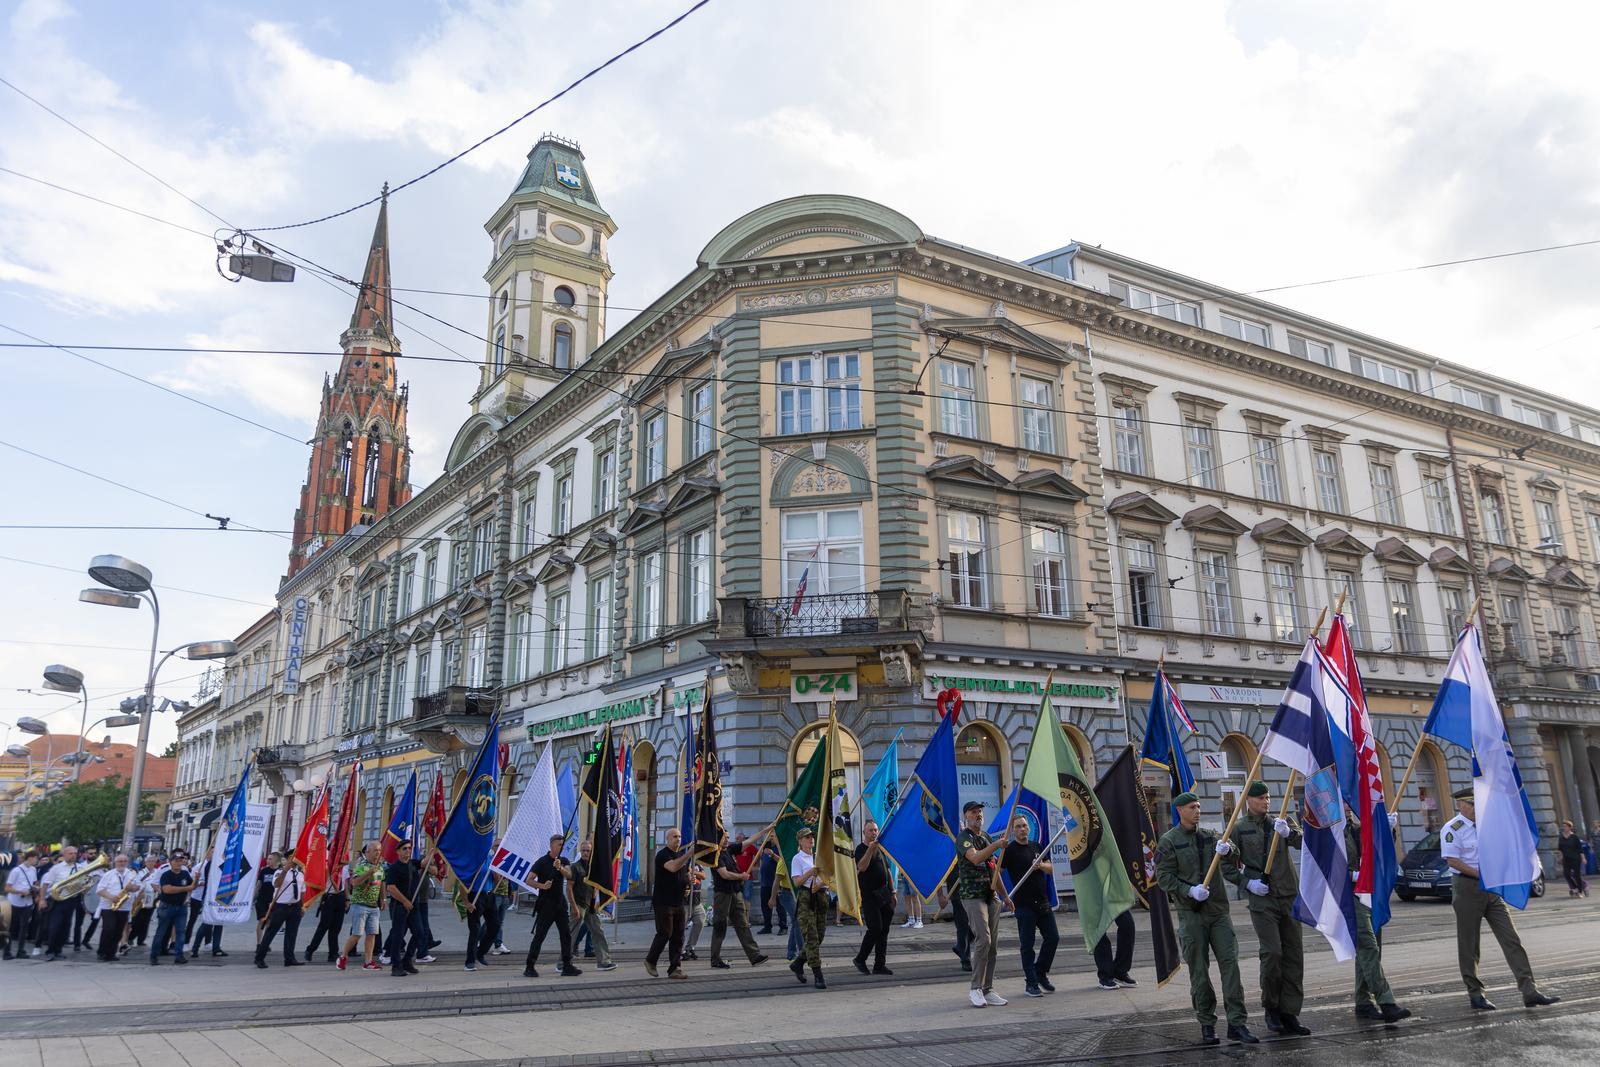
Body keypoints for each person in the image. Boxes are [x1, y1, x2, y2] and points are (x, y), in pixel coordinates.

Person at [1439, 787, 1560, 1010]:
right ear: (1461, 805)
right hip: (1467, 888)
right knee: (1469, 944)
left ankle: (1529, 990)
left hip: (1492, 888)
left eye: (1478, 805)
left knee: (1511, 939)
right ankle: (1475, 994)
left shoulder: (1487, 825)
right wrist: (1481, 875)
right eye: (1472, 805)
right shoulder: (1452, 829)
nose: (1477, 809)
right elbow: (1452, 861)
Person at [1154, 791, 1257, 1046]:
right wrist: (1188, 890)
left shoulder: (1210, 837)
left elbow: (1234, 855)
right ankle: (1207, 1024)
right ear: (1180, 811)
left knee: (1230, 968)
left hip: (1218, 912)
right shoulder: (1169, 841)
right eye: (1192, 807)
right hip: (1191, 915)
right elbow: (1163, 877)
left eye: (1199, 806)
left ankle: (1237, 1023)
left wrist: (1228, 848)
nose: (1197, 811)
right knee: (1199, 973)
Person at [1231, 780, 1308, 1036]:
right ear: (1248, 801)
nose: (1266, 801)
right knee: (1273, 953)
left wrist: (1290, 834)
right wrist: (1247, 884)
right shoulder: (1239, 828)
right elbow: (1226, 865)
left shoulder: (1282, 822)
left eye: (1268, 797)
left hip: (1288, 894)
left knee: (1294, 955)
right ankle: (1272, 1008)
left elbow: (1304, 843)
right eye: (1261, 798)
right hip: (1262, 900)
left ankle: (1290, 1013)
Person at [1345, 810, 1410, 1023]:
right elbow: (1322, 866)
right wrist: (1352, 875)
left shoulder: (1356, 830)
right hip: (1346, 897)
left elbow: (1375, 848)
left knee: (1371, 949)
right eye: (1343, 801)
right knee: (1368, 947)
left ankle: (1363, 1002)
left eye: (1348, 803)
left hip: (1368, 894)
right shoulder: (1330, 833)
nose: (1347, 807)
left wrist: (1386, 830)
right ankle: (1387, 1003)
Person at [998, 812, 1056, 998]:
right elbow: (997, 870)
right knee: (1027, 945)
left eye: (1024, 826)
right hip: (1023, 905)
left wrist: (1041, 865)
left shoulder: (1036, 846)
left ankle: (1040, 972)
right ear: (1013, 831)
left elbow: (1050, 868)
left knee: (1053, 938)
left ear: (1029, 828)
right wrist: (1004, 895)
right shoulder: (1010, 850)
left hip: (1042, 902)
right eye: (1018, 827)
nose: (1022, 829)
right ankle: (1031, 983)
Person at [956, 800, 1005, 1008]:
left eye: (980, 812)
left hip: (990, 895)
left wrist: (1006, 896)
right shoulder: (964, 838)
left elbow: (994, 868)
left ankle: (988, 988)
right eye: (974, 812)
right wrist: (995, 845)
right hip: (972, 896)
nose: (978, 815)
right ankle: (975, 988)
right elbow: (975, 859)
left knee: (992, 944)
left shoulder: (985, 837)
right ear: (966, 816)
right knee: (983, 939)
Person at [524, 833, 582, 978]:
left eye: (562, 845)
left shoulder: (564, 860)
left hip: (560, 903)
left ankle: (567, 965)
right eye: (558, 845)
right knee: (540, 936)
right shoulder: (542, 862)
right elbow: (529, 880)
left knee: (566, 935)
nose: (561, 847)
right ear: (551, 846)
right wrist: (542, 886)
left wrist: (560, 868)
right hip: (546, 904)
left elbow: (569, 875)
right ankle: (529, 966)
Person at [709, 830, 768, 970]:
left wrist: (764, 831)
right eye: (725, 837)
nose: (727, 840)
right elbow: (724, 874)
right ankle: (715, 959)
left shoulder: (729, 850)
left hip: (736, 893)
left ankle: (754, 955)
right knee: (720, 926)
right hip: (723, 894)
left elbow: (748, 842)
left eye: (728, 837)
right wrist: (741, 876)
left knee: (743, 925)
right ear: (719, 839)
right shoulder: (715, 855)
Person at [645, 826, 692, 979]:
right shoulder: (662, 855)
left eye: (679, 836)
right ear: (667, 839)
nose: (678, 839)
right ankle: (650, 961)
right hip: (663, 902)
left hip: (678, 901)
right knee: (665, 933)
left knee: (678, 936)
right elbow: (672, 867)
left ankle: (675, 968)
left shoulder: (680, 855)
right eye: (674, 837)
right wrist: (689, 854)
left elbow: (682, 875)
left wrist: (688, 884)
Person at [852, 818, 896, 976]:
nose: (874, 833)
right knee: (875, 927)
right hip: (869, 895)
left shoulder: (881, 849)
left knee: (884, 930)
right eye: (870, 830)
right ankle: (860, 959)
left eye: (875, 830)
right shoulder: (860, 849)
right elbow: (861, 867)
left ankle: (879, 964)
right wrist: (870, 849)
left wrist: (893, 892)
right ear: (864, 833)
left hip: (884, 894)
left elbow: (888, 870)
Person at [787, 825, 828, 989]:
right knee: (811, 937)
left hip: (821, 897)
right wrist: (811, 872)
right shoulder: (798, 859)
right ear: (800, 841)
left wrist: (822, 884)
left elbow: (828, 877)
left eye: (812, 837)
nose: (811, 840)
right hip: (806, 899)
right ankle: (818, 975)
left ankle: (798, 963)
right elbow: (796, 882)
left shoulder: (819, 856)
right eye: (807, 837)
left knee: (819, 937)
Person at [568, 838, 617, 971]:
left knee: (598, 931)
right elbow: (569, 888)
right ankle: (563, 962)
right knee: (571, 933)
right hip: (578, 904)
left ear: (591, 852)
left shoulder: (593, 867)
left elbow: (597, 884)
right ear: (580, 851)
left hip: (590, 905)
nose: (585, 853)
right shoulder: (575, 867)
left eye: (588, 851)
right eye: (583, 850)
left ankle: (604, 961)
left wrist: (597, 900)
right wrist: (573, 907)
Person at [339, 842, 385, 971]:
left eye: (379, 850)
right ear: (367, 852)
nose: (378, 853)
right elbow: (354, 882)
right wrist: (368, 873)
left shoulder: (380, 867)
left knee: (372, 934)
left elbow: (381, 883)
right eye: (375, 850)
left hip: (373, 906)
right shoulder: (361, 866)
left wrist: (383, 898)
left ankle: (368, 962)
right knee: (357, 934)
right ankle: (343, 956)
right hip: (360, 905)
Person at [39, 844, 89, 961]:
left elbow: (84, 883)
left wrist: (84, 887)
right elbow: (45, 884)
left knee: (65, 927)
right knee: (55, 926)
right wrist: (42, 899)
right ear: (65, 855)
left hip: (72, 900)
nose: (73, 856)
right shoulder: (57, 868)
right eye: (71, 853)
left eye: (75, 854)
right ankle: (50, 951)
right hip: (57, 901)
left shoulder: (80, 868)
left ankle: (58, 950)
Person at [383, 841, 423, 977]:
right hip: (399, 906)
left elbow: (425, 863)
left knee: (419, 933)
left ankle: (407, 960)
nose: (408, 851)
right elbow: (390, 888)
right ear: (398, 851)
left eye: (410, 848)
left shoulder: (413, 864)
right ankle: (396, 965)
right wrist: (405, 901)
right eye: (404, 849)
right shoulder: (394, 868)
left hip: (413, 907)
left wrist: (434, 847)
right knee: (398, 936)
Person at [149, 852, 193, 965]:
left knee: (180, 932)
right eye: (176, 860)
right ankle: (154, 955)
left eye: (181, 860)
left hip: (181, 907)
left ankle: (179, 955)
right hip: (167, 906)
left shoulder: (185, 874)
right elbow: (167, 890)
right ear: (171, 862)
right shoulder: (166, 874)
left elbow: (191, 886)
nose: (179, 863)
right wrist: (186, 888)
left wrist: (188, 895)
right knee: (161, 932)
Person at [93, 853, 138, 962]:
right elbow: (99, 890)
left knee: (118, 931)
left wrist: (133, 888)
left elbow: (137, 887)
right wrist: (111, 897)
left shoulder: (131, 874)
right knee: (109, 928)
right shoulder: (109, 874)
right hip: (108, 906)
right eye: (119, 861)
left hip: (124, 907)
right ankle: (102, 951)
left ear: (127, 862)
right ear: (115, 863)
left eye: (124, 861)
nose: (122, 863)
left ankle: (111, 953)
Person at [305, 860, 349, 962]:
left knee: (336, 927)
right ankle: (310, 949)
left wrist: (347, 899)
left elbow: (345, 884)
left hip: (340, 897)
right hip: (329, 897)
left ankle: (333, 953)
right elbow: (322, 881)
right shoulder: (327, 866)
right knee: (324, 925)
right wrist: (329, 871)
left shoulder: (345, 868)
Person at [4, 850, 39, 960]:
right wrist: (21, 892)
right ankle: (7, 952)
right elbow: (7, 888)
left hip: (27, 902)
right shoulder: (16, 871)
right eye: (36, 858)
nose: (36, 860)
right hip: (14, 902)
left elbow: (34, 883)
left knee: (24, 928)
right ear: (30, 858)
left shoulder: (33, 869)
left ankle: (21, 950)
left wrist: (36, 889)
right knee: (10, 928)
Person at [125, 854, 162, 952]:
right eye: (149, 861)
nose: (151, 863)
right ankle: (130, 937)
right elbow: (137, 884)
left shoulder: (158, 872)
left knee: (146, 920)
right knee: (137, 920)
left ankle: (141, 939)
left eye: (153, 861)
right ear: (146, 862)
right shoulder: (141, 873)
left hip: (152, 898)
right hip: (142, 898)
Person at [462, 873, 498, 971]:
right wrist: (466, 902)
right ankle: (470, 961)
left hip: (489, 895)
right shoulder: (475, 860)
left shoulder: (491, 859)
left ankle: (480, 953)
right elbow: (462, 881)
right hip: (475, 895)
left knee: (495, 926)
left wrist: (496, 877)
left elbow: (496, 880)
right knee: (475, 930)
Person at [1092, 911, 1136, 993]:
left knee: (1127, 924)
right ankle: (1105, 974)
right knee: (1098, 928)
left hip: (1116, 897)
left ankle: (1120, 970)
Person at [937, 866, 970, 971]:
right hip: (957, 895)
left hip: (975, 893)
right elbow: (938, 874)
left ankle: (960, 946)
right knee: (963, 926)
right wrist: (940, 896)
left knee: (981, 925)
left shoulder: (972, 850)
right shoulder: (949, 853)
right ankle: (966, 959)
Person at [757, 834, 784, 935]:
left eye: (772, 836)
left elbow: (782, 862)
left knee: (780, 906)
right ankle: (767, 926)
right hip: (765, 882)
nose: (769, 837)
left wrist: (772, 855)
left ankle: (783, 926)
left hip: (776, 882)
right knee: (765, 906)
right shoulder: (764, 849)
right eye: (768, 836)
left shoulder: (778, 848)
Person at [1557, 821, 1589, 898]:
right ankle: (1575, 887)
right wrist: (1560, 857)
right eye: (1563, 826)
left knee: (1577, 875)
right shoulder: (1561, 837)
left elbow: (1580, 849)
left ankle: (1580, 892)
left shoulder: (1574, 837)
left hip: (1575, 858)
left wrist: (1583, 858)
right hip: (1566, 859)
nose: (1564, 828)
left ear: (1569, 827)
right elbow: (1560, 849)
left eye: (1565, 826)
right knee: (1566, 874)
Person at [256, 851, 282, 924]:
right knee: (262, 921)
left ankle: (267, 935)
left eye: (270, 859)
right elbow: (258, 885)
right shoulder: (264, 870)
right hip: (262, 899)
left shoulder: (280, 871)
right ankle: (260, 936)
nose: (268, 860)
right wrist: (253, 898)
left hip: (273, 899)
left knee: (270, 921)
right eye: (268, 859)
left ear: (276, 860)